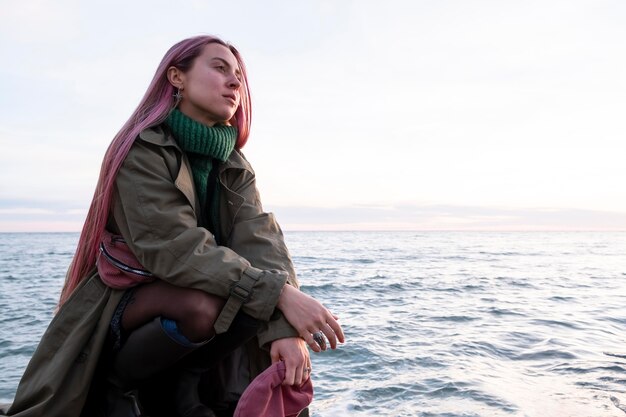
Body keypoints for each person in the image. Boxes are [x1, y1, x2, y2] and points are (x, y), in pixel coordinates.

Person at [0, 35, 344, 417]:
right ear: (176, 77)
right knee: (206, 305)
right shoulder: (141, 148)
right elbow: (173, 247)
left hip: (198, 284)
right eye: (219, 68)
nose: (235, 82)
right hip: (130, 293)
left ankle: (185, 384)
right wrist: (279, 294)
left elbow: (259, 238)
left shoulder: (234, 162)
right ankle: (118, 385)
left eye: (239, 75)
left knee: (249, 300)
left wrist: (284, 327)